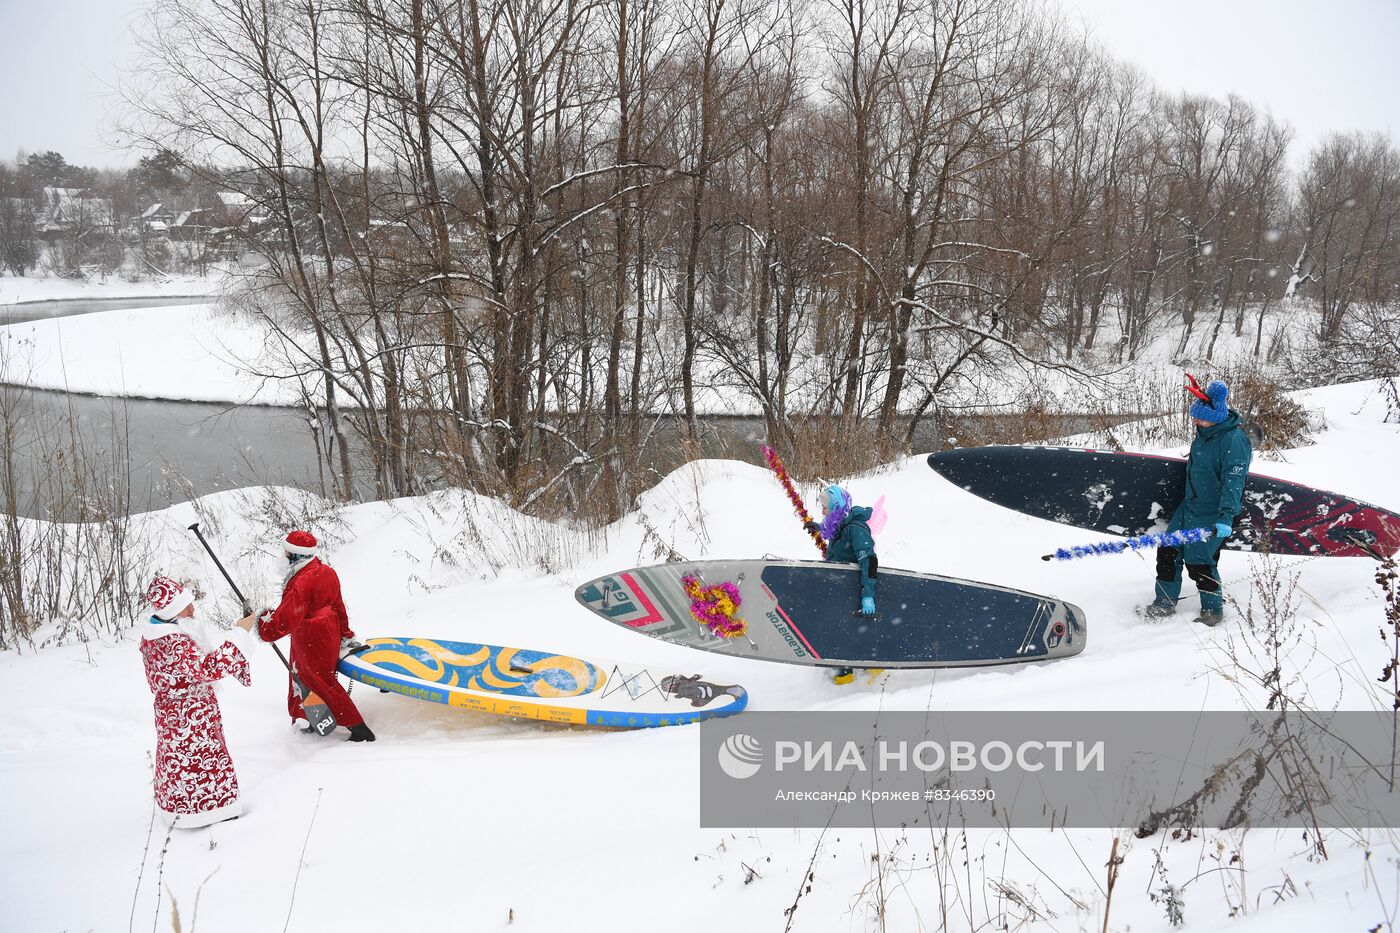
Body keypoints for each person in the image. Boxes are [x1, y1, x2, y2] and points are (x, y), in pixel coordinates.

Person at [140, 574, 256, 827]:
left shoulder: (163, 633)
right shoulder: (171, 642)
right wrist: (240, 633)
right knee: (197, 763)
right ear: (171, 611)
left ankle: (185, 809)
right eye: (185, 605)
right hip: (188, 720)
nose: (193, 609)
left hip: (183, 715)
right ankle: (205, 813)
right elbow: (209, 668)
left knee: (182, 762)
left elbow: (199, 663)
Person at [1140, 376, 1253, 627]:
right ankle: (1164, 603)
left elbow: (1233, 483)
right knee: (1168, 549)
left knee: (1199, 560)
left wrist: (1226, 517)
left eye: (1200, 417)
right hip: (1190, 505)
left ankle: (1213, 610)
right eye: (1195, 416)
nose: (1195, 421)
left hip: (1212, 511)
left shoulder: (1233, 441)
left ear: (1217, 416)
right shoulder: (1204, 434)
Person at [255, 530, 374, 741]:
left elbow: (283, 621)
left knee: (319, 681)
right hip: (328, 631)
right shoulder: (326, 571)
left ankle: (358, 728)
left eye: (285, 552)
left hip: (310, 637)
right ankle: (312, 717)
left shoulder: (301, 583)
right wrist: (344, 632)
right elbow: (338, 606)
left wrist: (263, 622)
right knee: (307, 677)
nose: (282, 556)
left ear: (295, 555)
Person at [804, 484, 878, 684]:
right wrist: (818, 527)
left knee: (853, 629)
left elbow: (869, 561)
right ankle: (845, 671)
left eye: (826, 506)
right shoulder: (842, 526)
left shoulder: (855, 528)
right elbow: (834, 533)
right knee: (841, 628)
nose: (823, 510)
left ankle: (873, 670)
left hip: (854, 588)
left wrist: (868, 595)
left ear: (838, 505)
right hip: (840, 588)